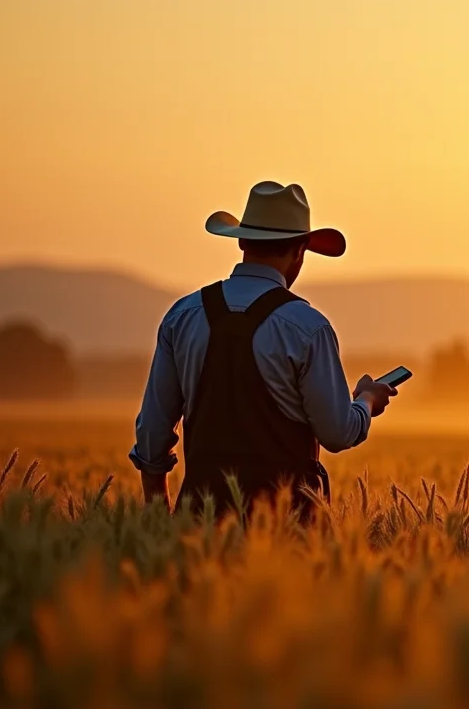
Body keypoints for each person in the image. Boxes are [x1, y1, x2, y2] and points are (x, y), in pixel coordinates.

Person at [128, 181, 397, 520]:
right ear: (300, 250)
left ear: (241, 241)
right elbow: (337, 432)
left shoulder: (182, 316)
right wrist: (367, 400)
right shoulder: (307, 327)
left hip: (199, 522)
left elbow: (152, 432)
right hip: (290, 530)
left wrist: (159, 519)